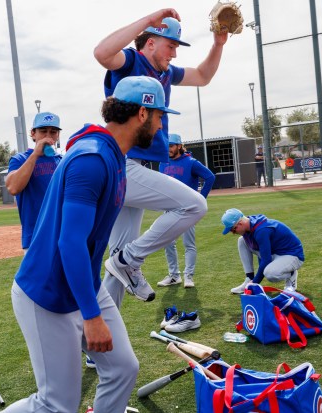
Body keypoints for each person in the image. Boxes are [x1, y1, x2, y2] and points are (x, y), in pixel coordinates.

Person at [2, 76, 175, 413]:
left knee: (123, 368)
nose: (160, 125)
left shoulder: (110, 154)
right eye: (159, 116)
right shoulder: (92, 158)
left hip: (83, 282)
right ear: (142, 113)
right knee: (56, 404)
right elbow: (70, 243)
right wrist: (92, 316)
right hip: (47, 292)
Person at [94, 9, 229, 305]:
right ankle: (130, 258)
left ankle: (98, 348)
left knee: (116, 265)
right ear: (151, 42)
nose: (175, 53)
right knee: (194, 205)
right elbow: (102, 52)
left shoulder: (166, 73)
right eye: (171, 45)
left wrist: (218, 44)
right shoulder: (132, 61)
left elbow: (204, 76)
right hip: (125, 165)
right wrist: (145, 21)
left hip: (132, 166)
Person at [158, 134, 215, 288]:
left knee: (188, 244)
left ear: (179, 146)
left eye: (171, 145)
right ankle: (174, 276)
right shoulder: (163, 163)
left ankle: (188, 276)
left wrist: (200, 199)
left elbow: (210, 177)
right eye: (167, 146)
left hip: (188, 209)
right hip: (169, 209)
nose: (168, 149)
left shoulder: (191, 162)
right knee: (168, 242)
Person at [6, 112, 63, 251]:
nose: (48, 136)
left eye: (53, 132)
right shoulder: (20, 159)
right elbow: (13, 188)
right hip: (35, 238)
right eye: (43, 131)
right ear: (33, 133)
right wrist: (35, 154)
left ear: (58, 135)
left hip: (62, 235)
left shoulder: (62, 160)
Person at [221, 208, 305, 294]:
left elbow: (266, 260)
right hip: (276, 253)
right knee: (241, 240)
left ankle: (291, 274)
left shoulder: (261, 230)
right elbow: (261, 252)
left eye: (233, 229)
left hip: (293, 255)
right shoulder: (250, 225)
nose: (233, 233)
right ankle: (249, 278)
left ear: (240, 223)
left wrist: (255, 282)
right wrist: (252, 280)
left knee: (270, 274)